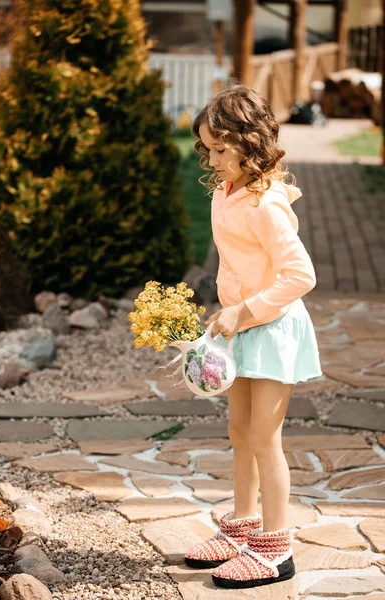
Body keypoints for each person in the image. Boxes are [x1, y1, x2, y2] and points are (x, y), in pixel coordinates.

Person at [184, 82, 322, 590]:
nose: (213, 159)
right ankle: (242, 529)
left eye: (221, 149)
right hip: (243, 324)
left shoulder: (265, 204)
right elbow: (236, 261)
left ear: (250, 142)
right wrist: (225, 311)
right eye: (208, 149)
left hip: (273, 328)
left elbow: (300, 275)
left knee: (265, 438)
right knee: (239, 433)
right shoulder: (227, 193)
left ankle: (275, 547)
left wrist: (244, 309)